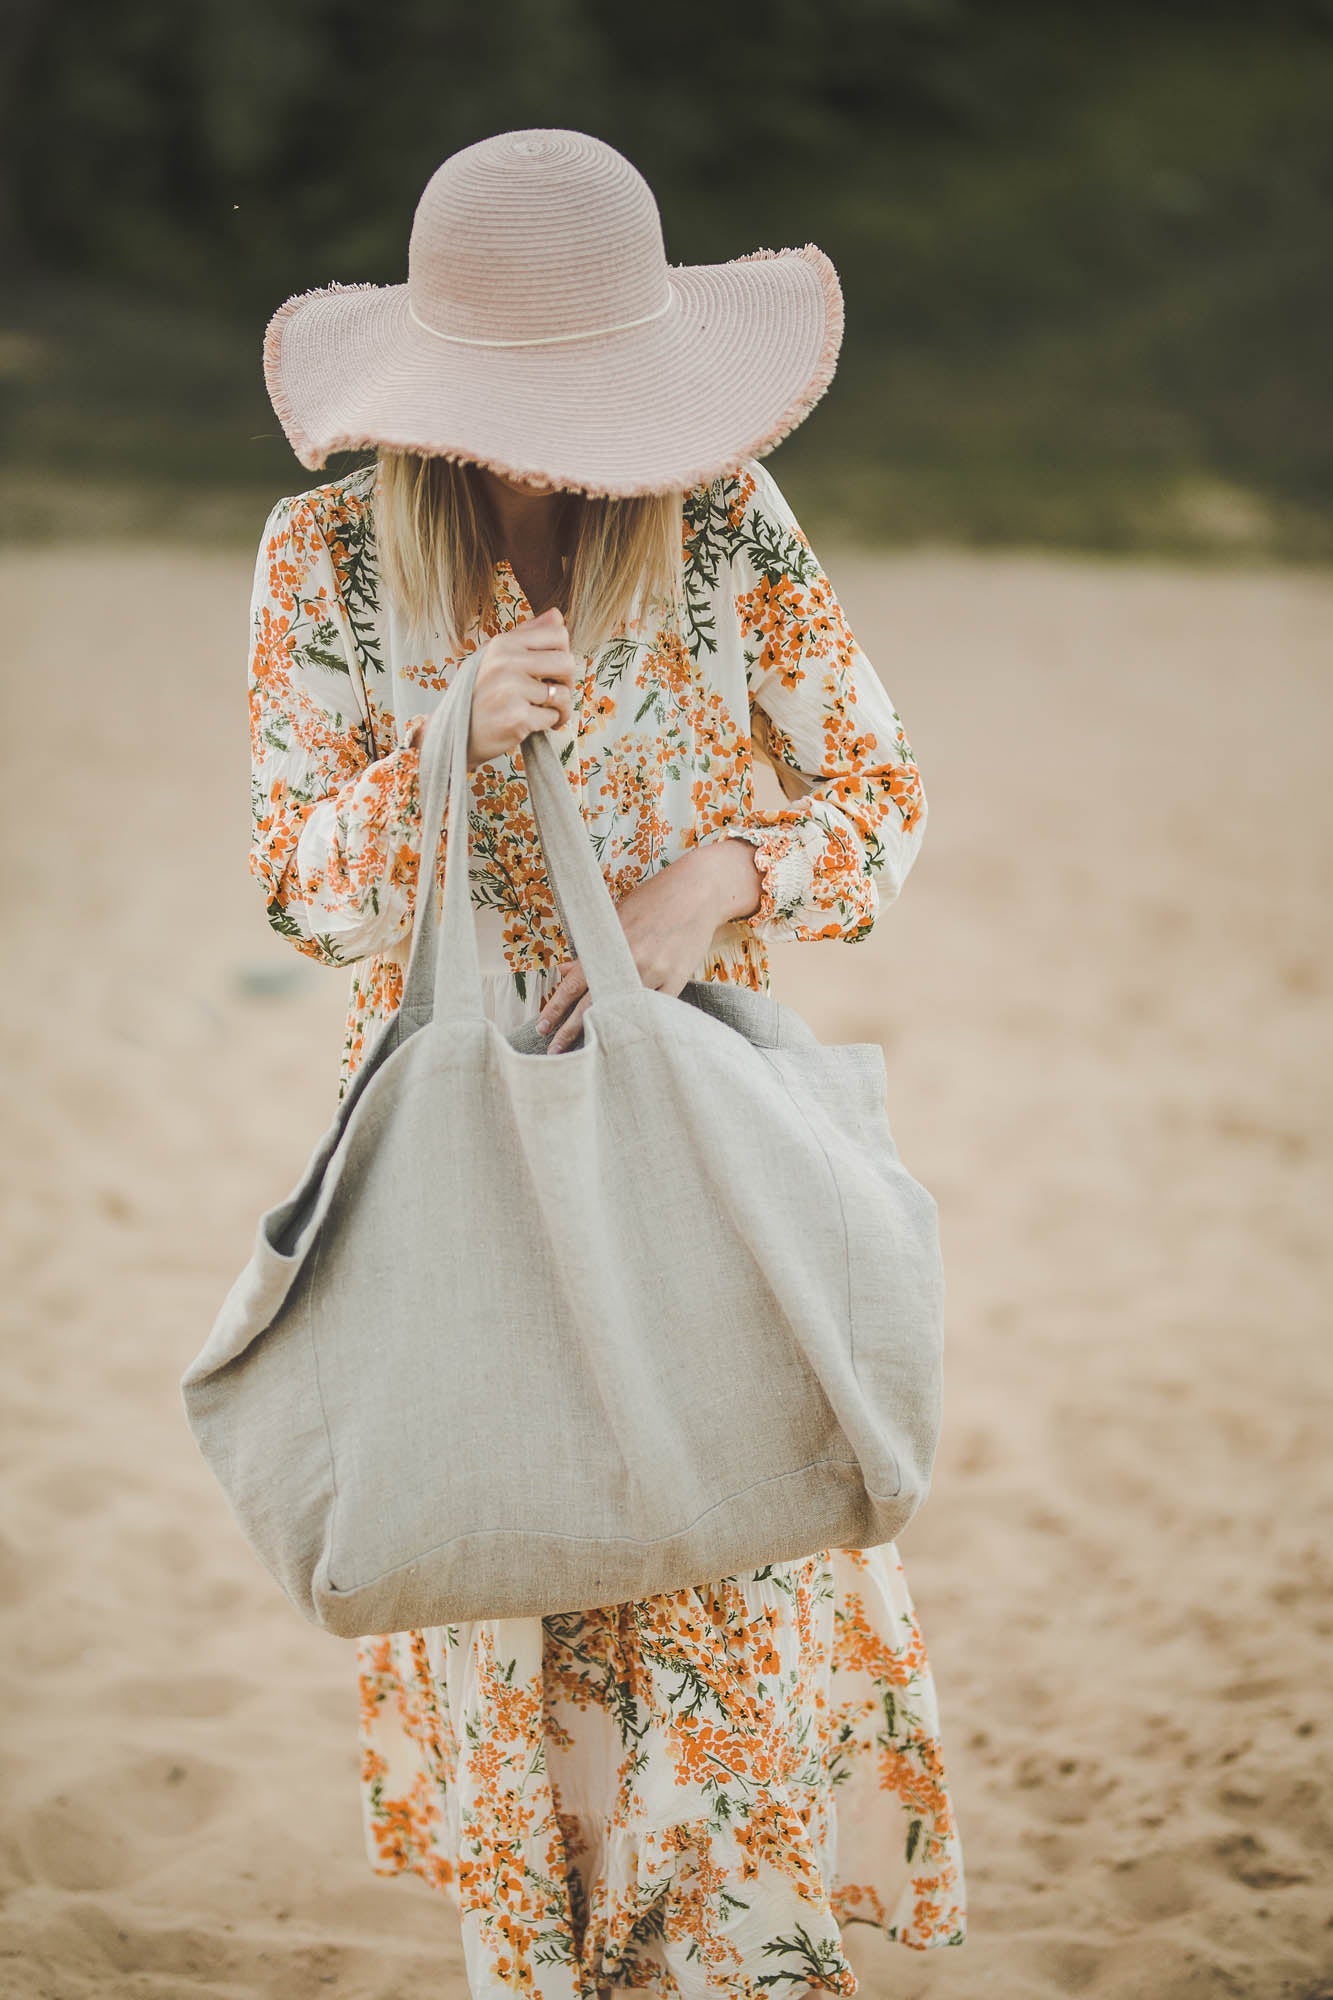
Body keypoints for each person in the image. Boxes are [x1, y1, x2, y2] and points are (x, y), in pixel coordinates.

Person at [251, 127, 966, 1997]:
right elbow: (300, 890)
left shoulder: (722, 520)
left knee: (725, 1630)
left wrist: (711, 881)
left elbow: (877, 801)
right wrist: (441, 755)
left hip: (684, 1148)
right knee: (519, 1615)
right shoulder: (326, 558)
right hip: (464, 1163)